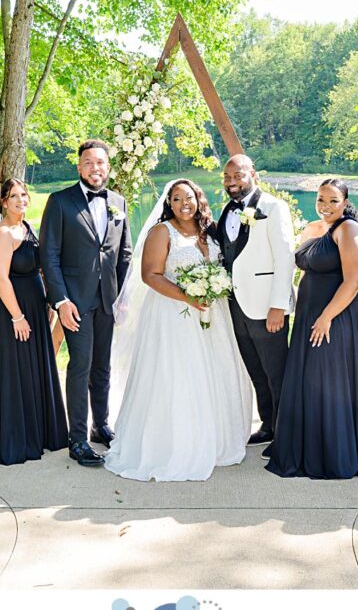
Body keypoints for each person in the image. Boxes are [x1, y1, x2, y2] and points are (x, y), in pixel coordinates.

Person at [104, 180, 251, 482]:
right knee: (180, 376)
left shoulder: (208, 231)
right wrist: (190, 297)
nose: (184, 203)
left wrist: (211, 291)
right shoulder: (162, 232)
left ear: (199, 199)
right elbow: (150, 275)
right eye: (176, 198)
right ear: (168, 203)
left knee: (213, 373)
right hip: (175, 315)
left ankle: (215, 440)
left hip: (213, 315)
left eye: (190, 197)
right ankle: (176, 444)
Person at [264, 180, 358, 479]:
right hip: (311, 316)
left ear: (345, 202)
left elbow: (355, 281)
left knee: (330, 382)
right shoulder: (315, 227)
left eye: (333, 200)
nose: (326, 206)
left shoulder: (350, 230)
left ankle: (335, 455)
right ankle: (309, 448)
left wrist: (326, 317)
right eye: (321, 199)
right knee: (311, 381)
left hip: (338, 317)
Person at [39, 139, 133, 467]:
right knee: (80, 366)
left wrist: (122, 298)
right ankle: (77, 439)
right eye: (89, 163)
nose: (96, 168)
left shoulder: (118, 202)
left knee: (102, 366)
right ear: (79, 167)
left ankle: (100, 425)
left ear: (108, 167)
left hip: (108, 300)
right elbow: (48, 256)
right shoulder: (60, 202)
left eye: (101, 163)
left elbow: (124, 254)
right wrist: (61, 301)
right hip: (75, 302)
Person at [214, 154, 295, 453]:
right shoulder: (227, 211)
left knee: (277, 372)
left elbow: (286, 257)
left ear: (253, 175)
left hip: (265, 307)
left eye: (238, 175)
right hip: (236, 306)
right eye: (227, 177)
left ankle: (287, 434)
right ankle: (269, 425)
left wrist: (278, 305)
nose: (232, 181)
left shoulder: (274, 207)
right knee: (256, 371)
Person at [0, 179, 68, 465]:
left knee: (36, 368)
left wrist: (49, 304)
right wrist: (17, 316)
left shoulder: (28, 227)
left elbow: (42, 269)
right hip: (14, 310)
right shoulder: (2, 233)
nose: (20, 199)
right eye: (13, 196)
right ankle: (19, 438)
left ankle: (43, 432)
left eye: (23, 195)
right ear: (4, 202)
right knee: (18, 370)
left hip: (36, 306)